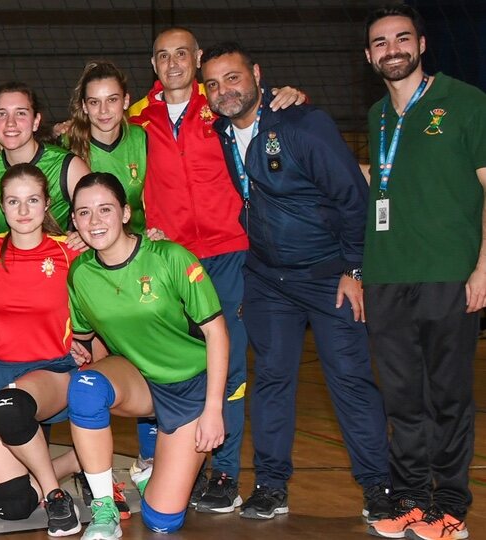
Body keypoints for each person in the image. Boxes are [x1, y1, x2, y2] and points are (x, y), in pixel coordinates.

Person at [200, 41, 392, 523]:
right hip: (268, 280)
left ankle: (379, 487)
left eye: (233, 78)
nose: (225, 90)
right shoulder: (222, 131)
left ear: (258, 75)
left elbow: (354, 197)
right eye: (214, 84)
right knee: (272, 381)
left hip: (329, 276)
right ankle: (270, 485)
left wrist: (354, 270)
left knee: (350, 382)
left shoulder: (304, 124)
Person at [125, 27, 305, 512]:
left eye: (182, 53)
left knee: (229, 366)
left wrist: (289, 97)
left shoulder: (223, 105)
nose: (173, 63)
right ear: (153, 64)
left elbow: (268, 114)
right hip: (171, 261)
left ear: (197, 57)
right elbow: (99, 143)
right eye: (162, 55)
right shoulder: (136, 118)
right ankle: (166, 464)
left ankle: (224, 471)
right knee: (168, 366)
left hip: (230, 253)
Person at [362, 6, 486, 540]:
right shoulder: (376, 116)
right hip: (387, 276)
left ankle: (452, 507)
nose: (392, 49)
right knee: (402, 397)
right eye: (380, 42)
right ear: (369, 56)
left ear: (422, 43)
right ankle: (411, 498)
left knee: (448, 397)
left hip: (448, 274)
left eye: (401, 38)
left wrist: (483, 265)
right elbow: (386, 187)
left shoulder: (465, 102)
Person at [66, 172, 228, 538]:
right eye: (84, 213)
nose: (95, 221)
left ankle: (152, 472)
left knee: (162, 521)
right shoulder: (80, 273)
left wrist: (213, 409)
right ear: (74, 221)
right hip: (140, 381)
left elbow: (216, 332)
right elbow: (90, 343)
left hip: (190, 387)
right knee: (86, 385)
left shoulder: (169, 257)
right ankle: (104, 506)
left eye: (105, 210)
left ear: (125, 213)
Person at [0, 164, 85, 536]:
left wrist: (85, 344)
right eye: (14, 201)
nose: (23, 211)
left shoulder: (70, 250)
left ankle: (55, 496)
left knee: (10, 405)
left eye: (32, 200)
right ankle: (74, 462)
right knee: (12, 506)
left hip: (47, 371)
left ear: (47, 203)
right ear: (1, 207)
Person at [0, 82, 90, 232]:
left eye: (21, 113)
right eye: (1, 114)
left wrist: (83, 237)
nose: (10, 123)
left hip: (57, 255)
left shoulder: (68, 167)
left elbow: (95, 215)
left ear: (36, 121)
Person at [64, 60, 147, 235]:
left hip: (139, 244)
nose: (103, 110)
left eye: (112, 100)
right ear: (85, 106)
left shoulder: (141, 138)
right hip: (91, 244)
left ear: (126, 101)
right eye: (94, 102)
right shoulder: (66, 143)